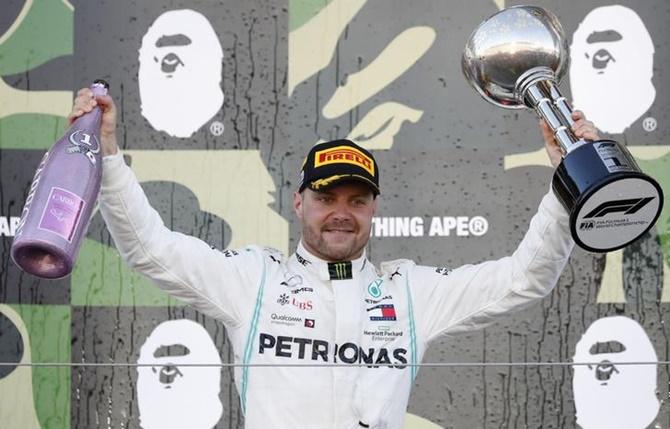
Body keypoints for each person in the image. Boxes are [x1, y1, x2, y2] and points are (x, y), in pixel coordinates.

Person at [69, 88, 599, 429]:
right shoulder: (254, 280)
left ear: (374, 207)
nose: (341, 214)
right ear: (299, 202)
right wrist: (109, 156)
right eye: (326, 198)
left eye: (356, 200)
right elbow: (150, 250)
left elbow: (524, 280)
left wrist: (566, 181)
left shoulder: (407, 290)